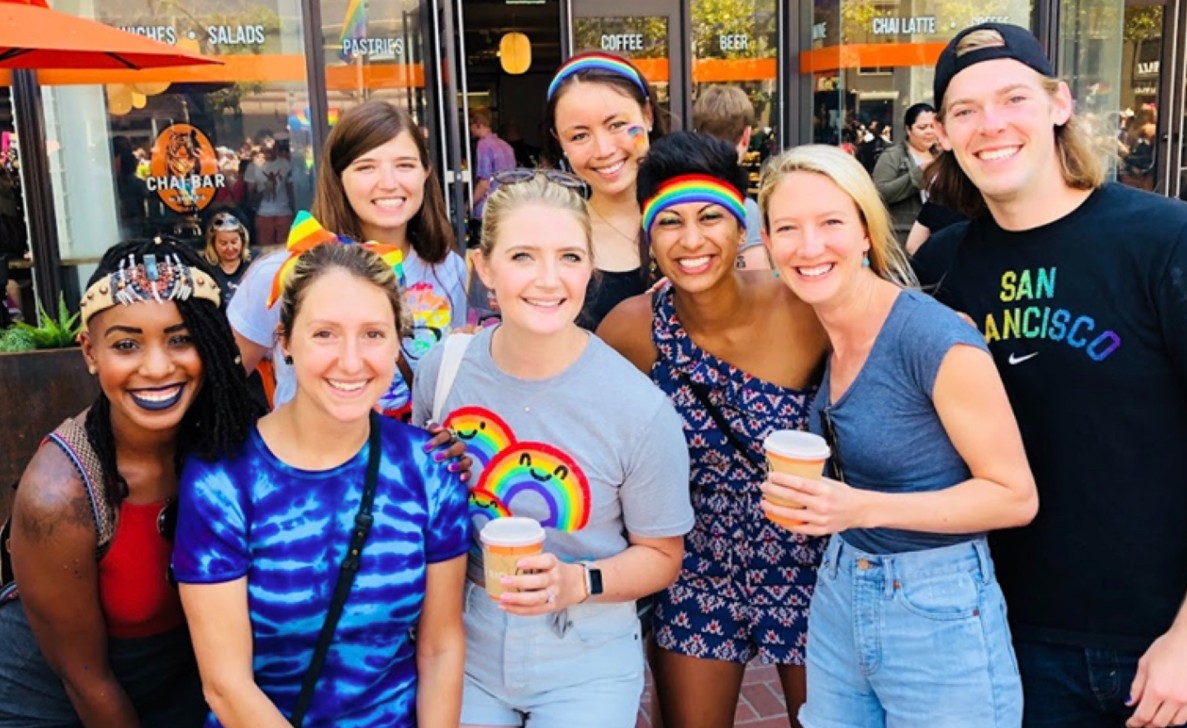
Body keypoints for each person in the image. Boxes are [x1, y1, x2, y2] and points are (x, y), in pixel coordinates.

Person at [912, 23, 1187, 728]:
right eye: (964, 111)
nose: (989, 126)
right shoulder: (940, 266)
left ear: (1058, 103)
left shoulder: (1162, 239)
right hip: (999, 634)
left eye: (1011, 99)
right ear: (941, 131)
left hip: (1152, 643)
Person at [759, 144, 1038, 727]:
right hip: (841, 587)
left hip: (936, 602)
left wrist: (858, 506)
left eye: (831, 222)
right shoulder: (822, 318)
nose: (809, 247)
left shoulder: (933, 338)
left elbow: (1014, 496)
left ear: (866, 230)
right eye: (787, 228)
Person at [411, 171, 693, 727]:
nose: (548, 279)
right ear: (485, 267)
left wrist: (577, 581)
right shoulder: (442, 372)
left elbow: (663, 557)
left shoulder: (640, 408)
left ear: (591, 267)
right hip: (462, 637)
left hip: (587, 649)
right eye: (522, 256)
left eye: (569, 256)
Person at [174, 241, 470, 727]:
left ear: (398, 341)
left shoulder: (429, 468)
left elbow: (440, 647)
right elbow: (226, 686)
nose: (351, 362)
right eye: (325, 334)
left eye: (373, 334)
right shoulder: (223, 481)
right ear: (285, 341)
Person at [597, 132, 829, 728]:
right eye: (670, 222)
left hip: (806, 558)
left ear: (740, 225)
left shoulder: (804, 310)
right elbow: (571, 407)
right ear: (648, 237)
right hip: (694, 565)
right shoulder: (632, 328)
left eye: (711, 217)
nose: (692, 240)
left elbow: (896, 340)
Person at [0, 237, 260, 727]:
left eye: (181, 338)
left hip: (186, 692)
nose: (158, 367)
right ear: (90, 351)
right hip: (59, 707)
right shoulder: (60, 494)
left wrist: (445, 453)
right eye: (126, 344)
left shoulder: (230, 441)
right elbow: (87, 682)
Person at [228, 101, 467, 420]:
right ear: (338, 177)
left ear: (425, 173)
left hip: (414, 465)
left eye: (405, 165)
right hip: (313, 465)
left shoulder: (449, 269)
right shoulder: (282, 273)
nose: (389, 182)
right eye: (366, 167)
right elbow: (223, 385)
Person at [545, 51, 668, 330]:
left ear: (647, 115)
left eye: (617, 125)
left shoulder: (701, 215)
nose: (603, 150)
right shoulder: (556, 236)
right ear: (559, 140)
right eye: (579, 136)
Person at [691, 85, 769, 270]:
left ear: (696, 135)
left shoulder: (675, 198)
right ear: (746, 136)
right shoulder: (743, 208)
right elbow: (755, 281)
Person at [872, 103, 939, 245]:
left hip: (938, 234)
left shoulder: (942, 157)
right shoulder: (893, 156)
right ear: (908, 130)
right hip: (903, 235)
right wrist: (918, 174)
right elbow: (879, 193)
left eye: (933, 126)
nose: (929, 132)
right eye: (922, 127)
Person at [468, 107, 517, 246]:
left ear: (478, 124)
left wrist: (468, 206)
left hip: (487, 210)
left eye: (471, 125)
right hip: (505, 206)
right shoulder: (506, 146)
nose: (470, 130)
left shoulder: (483, 145)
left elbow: (484, 183)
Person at [245, 133, 295, 249]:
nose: (269, 149)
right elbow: (250, 196)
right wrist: (263, 191)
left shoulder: (285, 164)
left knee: (286, 250)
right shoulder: (253, 167)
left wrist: (294, 209)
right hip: (264, 213)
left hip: (284, 212)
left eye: (272, 145)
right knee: (266, 251)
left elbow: (291, 189)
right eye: (265, 145)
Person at [203, 211, 252, 303]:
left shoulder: (254, 264)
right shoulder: (204, 267)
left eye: (234, 242)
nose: (230, 248)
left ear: (243, 240)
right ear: (213, 244)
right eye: (223, 243)